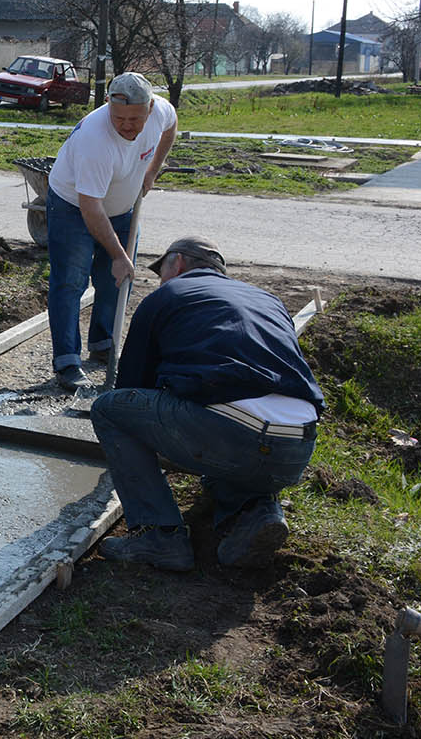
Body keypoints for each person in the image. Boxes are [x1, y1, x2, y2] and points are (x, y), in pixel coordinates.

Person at [90, 236, 324, 572]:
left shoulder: (167, 296)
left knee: (109, 409)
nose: (161, 279)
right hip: (296, 446)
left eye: (162, 270)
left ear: (179, 263)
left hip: (233, 433)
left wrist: (129, 460)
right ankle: (258, 512)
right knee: (227, 452)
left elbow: (132, 390)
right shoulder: (268, 300)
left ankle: (159, 535)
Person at [47, 71, 177, 390]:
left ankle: (103, 343)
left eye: (135, 118)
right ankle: (66, 362)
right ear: (108, 106)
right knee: (70, 281)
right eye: (119, 117)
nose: (127, 125)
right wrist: (118, 253)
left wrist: (152, 170)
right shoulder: (95, 139)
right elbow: (91, 208)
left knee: (116, 280)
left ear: (150, 109)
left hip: (122, 207)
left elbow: (172, 128)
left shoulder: (160, 112)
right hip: (72, 207)